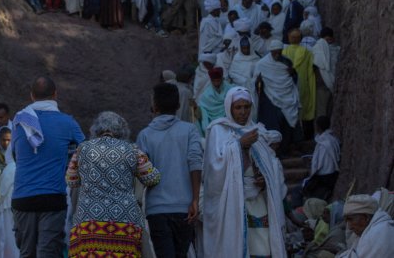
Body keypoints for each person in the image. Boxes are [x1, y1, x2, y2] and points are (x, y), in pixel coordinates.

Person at [204, 87, 287, 257]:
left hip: (257, 199)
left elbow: (270, 169)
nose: (242, 112)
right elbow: (213, 170)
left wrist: (265, 180)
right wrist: (239, 145)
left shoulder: (259, 132)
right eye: (238, 107)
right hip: (231, 201)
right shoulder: (218, 131)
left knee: (262, 246)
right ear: (229, 108)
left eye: (246, 107)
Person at [67, 112, 160, 257]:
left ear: (95, 130)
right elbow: (152, 178)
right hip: (125, 221)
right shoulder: (133, 150)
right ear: (122, 131)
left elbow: (71, 181)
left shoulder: (82, 149)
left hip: (89, 220)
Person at [11, 77, 85, 257]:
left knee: (26, 253)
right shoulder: (68, 123)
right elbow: (86, 152)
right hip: (52, 198)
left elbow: (15, 155)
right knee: (48, 253)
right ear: (55, 95)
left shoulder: (20, 121)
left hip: (22, 197)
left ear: (31, 96)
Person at [136, 83, 202, 257]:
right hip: (185, 208)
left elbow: (142, 173)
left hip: (156, 210)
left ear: (154, 106)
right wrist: (195, 199)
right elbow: (195, 163)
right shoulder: (190, 130)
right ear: (178, 106)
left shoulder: (145, 135)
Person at [254, 39, 301, 156]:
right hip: (270, 98)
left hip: (287, 97)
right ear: (271, 52)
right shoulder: (262, 64)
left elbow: (293, 79)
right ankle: (275, 150)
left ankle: (289, 147)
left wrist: (293, 73)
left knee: (289, 119)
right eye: (275, 52)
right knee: (275, 121)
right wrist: (257, 83)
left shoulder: (286, 62)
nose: (277, 55)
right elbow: (256, 82)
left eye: (279, 52)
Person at [283, 29, 316, 137]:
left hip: (292, 86)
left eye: (294, 37)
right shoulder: (306, 52)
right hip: (300, 85)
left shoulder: (284, 52)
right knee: (301, 110)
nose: (293, 39)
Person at [302, 116, 340, 201]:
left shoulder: (324, 143)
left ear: (318, 127)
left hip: (325, 176)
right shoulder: (333, 139)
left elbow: (319, 165)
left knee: (304, 188)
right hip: (331, 174)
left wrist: (312, 172)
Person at [197, 67, 233, 137]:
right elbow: (202, 109)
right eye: (214, 81)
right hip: (213, 126)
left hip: (230, 124)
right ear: (211, 80)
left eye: (218, 80)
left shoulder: (230, 90)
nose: (216, 83)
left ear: (222, 79)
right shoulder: (206, 95)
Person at [312, 27, 338, 118]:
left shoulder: (337, 49)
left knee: (330, 110)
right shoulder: (317, 49)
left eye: (330, 39)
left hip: (333, 84)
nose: (328, 42)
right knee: (322, 110)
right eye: (327, 40)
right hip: (322, 85)